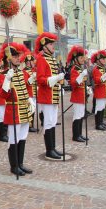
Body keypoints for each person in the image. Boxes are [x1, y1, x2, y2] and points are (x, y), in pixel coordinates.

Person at [0, 42, 34, 176]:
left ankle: (20, 163)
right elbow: (2, 95)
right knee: (13, 139)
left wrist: (30, 100)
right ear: (8, 58)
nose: (18, 58)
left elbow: (26, 88)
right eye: (15, 56)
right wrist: (7, 79)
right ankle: (14, 166)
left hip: (24, 109)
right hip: (13, 110)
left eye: (18, 56)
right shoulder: (4, 75)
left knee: (23, 137)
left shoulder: (23, 73)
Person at [35, 32, 65, 160]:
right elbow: (40, 79)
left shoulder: (52, 59)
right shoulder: (42, 59)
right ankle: (49, 150)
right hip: (46, 96)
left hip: (53, 96)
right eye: (51, 44)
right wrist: (54, 78)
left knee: (53, 122)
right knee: (48, 123)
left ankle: (53, 148)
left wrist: (59, 82)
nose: (53, 46)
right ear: (44, 46)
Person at [67, 46, 90, 142]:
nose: (83, 59)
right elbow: (73, 83)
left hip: (82, 95)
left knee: (81, 115)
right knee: (77, 116)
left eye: (83, 58)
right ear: (75, 59)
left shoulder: (79, 68)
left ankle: (79, 134)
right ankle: (75, 135)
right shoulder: (74, 69)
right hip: (77, 96)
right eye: (81, 58)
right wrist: (81, 76)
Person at [91, 50, 106, 131]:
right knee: (98, 108)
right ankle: (98, 124)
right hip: (99, 92)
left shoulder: (103, 68)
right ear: (100, 60)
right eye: (104, 59)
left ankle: (101, 122)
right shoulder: (96, 69)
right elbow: (97, 81)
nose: (105, 60)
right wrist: (105, 76)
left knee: (102, 108)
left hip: (104, 91)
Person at [21, 51, 38, 133]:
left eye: (30, 61)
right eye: (27, 62)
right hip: (29, 93)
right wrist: (32, 77)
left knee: (33, 110)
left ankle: (31, 125)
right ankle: (29, 126)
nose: (29, 63)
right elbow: (26, 82)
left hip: (35, 93)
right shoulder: (24, 71)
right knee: (29, 110)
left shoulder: (33, 70)